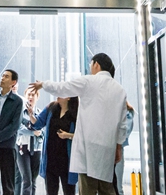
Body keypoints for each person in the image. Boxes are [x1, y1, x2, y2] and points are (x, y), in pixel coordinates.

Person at [27, 54, 129, 195]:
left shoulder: (89, 81)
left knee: (87, 189)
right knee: (107, 189)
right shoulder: (120, 90)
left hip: (88, 149)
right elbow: (122, 125)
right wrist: (118, 147)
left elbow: (62, 88)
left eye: (91, 65)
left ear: (96, 65)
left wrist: (43, 84)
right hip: (107, 150)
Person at [30, 95, 78, 195]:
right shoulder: (51, 108)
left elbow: (82, 135)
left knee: (69, 191)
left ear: (69, 97)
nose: (58, 94)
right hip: (51, 158)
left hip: (67, 160)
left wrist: (67, 135)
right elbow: (38, 124)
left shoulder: (75, 113)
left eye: (61, 92)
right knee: (51, 191)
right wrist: (31, 115)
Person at [16, 88, 43, 195]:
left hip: (36, 148)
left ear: (37, 97)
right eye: (29, 95)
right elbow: (18, 129)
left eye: (33, 95)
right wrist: (33, 132)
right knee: (26, 179)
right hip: (22, 147)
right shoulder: (20, 113)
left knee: (33, 180)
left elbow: (42, 132)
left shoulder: (40, 113)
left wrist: (38, 133)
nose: (31, 97)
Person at [113, 104, 135, 195]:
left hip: (117, 149)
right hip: (111, 149)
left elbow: (125, 132)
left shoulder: (126, 113)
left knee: (117, 186)